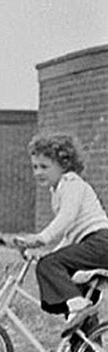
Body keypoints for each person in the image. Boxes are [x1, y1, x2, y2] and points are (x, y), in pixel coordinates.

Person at [14, 134, 108, 334]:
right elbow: (70, 235)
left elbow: (67, 217)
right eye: (35, 167)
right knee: (74, 301)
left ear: (64, 165)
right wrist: (50, 252)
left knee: (49, 266)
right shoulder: (57, 190)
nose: (38, 172)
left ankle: (79, 307)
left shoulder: (71, 183)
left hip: (100, 242)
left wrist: (42, 238)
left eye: (44, 167)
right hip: (91, 244)